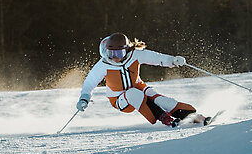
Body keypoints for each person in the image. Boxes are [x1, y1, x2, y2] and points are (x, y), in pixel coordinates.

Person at [76, 32, 207, 127]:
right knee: (133, 94)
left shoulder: (134, 55)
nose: (115, 57)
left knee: (162, 100)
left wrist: (173, 60)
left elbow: (156, 58)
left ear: (126, 50)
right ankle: (164, 118)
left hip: (139, 87)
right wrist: (84, 98)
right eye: (111, 53)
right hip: (119, 98)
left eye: (119, 53)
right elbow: (89, 83)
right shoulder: (103, 64)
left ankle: (194, 117)